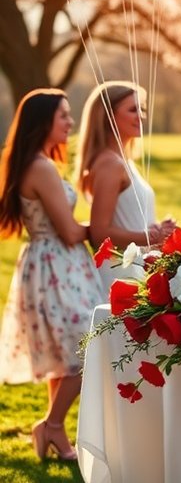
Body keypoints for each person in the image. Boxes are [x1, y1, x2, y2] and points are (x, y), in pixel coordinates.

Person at [0, 89, 106, 461]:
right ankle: (53, 424)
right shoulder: (40, 167)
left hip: (53, 263)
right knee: (87, 347)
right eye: (63, 115)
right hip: (56, 263)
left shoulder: (39, 162)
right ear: (43, 121)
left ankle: (52, 430)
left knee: (65, 352)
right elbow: (70, 232)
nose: (70, 122)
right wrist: (105, 227)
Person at [72, 82, 175, 289]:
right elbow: (100, 232)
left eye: (141, 109)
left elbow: (129, 221)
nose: (141, 116)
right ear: (108, 116)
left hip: (136, 267)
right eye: (133, 109)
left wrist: (157, 229)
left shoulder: (124, 161)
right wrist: (151, 236)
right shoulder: (110, 164)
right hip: (119, 272)